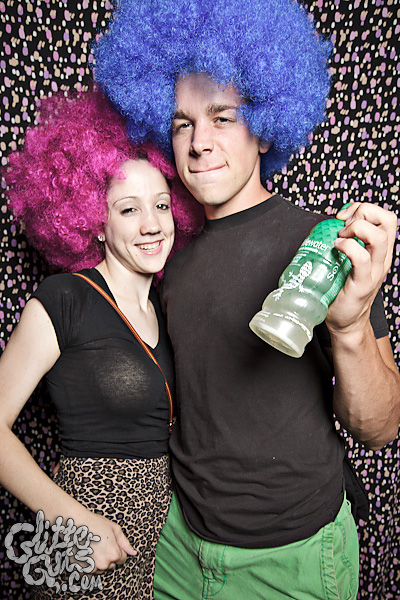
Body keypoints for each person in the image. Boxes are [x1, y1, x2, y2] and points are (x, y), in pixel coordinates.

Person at [94, 0, 400, 598]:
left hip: (290, 558)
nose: (199, 143)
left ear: (263, 127)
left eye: (222, 117)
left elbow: (380, 428)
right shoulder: (167, 256)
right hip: (179, 549)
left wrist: (351, 328)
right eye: (182, 123)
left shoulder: (325, 247)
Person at [0, 88, 202, 599]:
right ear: (95, 222)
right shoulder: (64, 298)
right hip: (82, 544)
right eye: (129, 209)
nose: (152, 225)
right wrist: (70, 521)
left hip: (158, 550)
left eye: (161, 205)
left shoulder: (169, 308)